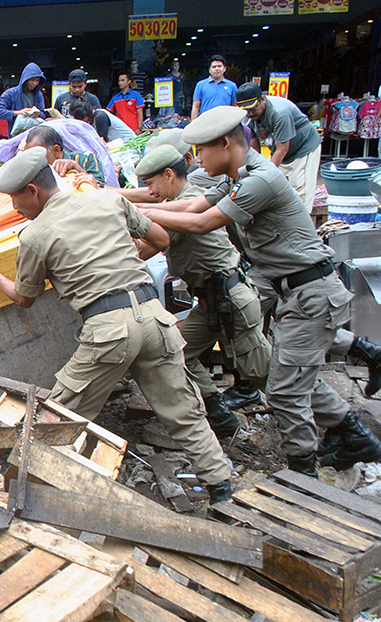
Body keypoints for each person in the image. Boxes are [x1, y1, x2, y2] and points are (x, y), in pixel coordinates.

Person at [0, 147, 234, 502]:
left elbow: (24, 299)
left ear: (33, 191)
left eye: (15, 199)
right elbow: (162, 239)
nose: (15, 209)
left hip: (108, 331)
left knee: (58, 416)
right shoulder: (107, 200)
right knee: (183, 409)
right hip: (154, 318)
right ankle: (221, 486)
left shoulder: (35, 235)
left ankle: (21, 492)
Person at [140, 107, 381, 475]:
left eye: (202, 151)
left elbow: (202, 221)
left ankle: (305, 473)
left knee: (284, 388)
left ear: (225, 143)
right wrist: (124, 202)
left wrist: (134, 212)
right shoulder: (238, 177)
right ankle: (350, 434)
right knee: (289, 376)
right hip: (293, 293)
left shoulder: (260, 180)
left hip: (310, 292)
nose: (198, 161)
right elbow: (190, 205)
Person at [131, 145, 272, 439]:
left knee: (269, 376)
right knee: (179, 351)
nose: (150, 191)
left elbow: (147, 247)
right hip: (212, 303)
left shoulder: (187, 203)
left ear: (168, 175)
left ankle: (345, 425)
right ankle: (221, 418)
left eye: (151, 184)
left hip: (230, 301)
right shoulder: (181, 200)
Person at [237, 83, 322, 212]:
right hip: (279, 150)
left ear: (263, 100)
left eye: (253, 108)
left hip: (304, 148)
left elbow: (282, 149)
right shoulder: (247, 117)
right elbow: (254, 151)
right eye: (246, 110)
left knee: (300, 192)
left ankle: (302, 229)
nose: (249, 113)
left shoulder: (279, 113)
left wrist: (264, 175)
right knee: (278, 190)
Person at [21, 125, 104, 186]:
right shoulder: (34, 172)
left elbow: (102, 191)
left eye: (37, 155)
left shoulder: (85, 158)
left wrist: (80, 170)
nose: (34, 160)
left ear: (56, 150)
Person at [0, 62, 46, 133]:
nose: (34, 83)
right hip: (16, 135)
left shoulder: (38, 94)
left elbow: (44, 113)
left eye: (37, 80)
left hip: (34, 135)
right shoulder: (10, 93)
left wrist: (39, 114)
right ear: (26, 78)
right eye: (32, 80)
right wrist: (18, 113)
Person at [69, 101, 135, 143]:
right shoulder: (92, 119)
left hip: (128, 142)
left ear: (86, 115)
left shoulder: (100, 117)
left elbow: (102, 141)